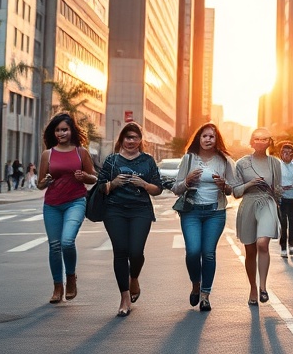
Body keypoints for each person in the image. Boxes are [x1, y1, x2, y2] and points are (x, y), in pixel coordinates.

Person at [98, 122, 164, 317]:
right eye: (128, 137)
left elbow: (158, 188)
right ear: (122, 139)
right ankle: (124, 298)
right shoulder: (112, 160)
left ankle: (133, 277)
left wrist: (144, 184)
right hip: (115, 211)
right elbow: (101, 186)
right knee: (120, 253)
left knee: (136, 252)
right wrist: (114, 183)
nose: (131, 141)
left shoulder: (148, 160)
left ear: (140, 140)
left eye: (135, 137)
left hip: (140, 210)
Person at [173, 122, 236, 312]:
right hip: (191, 211)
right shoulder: (189, 158)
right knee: (193, 251)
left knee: (208, 253)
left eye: (212, 137)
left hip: (215, 212)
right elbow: (176, 188)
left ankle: (205, 295)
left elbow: (233, 189)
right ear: (198, 139)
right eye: (204, 136)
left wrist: (224, 185)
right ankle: (195, 284)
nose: (208, 139)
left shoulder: (224, 161)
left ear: (217, 140)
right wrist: (187, 181)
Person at [38, 113, 98, 303]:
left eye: (64, 129)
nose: (60, 133)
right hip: (52, 204)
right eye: (57, 130)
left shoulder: (81, 153)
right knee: (54, 246)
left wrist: (84, 177)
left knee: (66, 241)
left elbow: (94, 177)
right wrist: (46, 180)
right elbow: (40, 184)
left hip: (76, 201)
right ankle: (58, 286)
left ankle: (70, 277)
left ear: (71, 131)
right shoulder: (48, 154)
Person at [232, 128, 282, 306]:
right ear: (252, 142)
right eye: (257, 139)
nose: (261, 142)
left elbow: (278, 190)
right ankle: (252, 287)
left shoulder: (275, 163)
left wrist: (282, 193)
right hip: (248, 204)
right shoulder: (242, 163)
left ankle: (263, 287)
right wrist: (250, 183)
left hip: (267, 203)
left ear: (270, 142)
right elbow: (235, 192)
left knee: (262, 243)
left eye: (265, 139)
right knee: (250, 251)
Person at [276, 141, 293, 258]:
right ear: (281, 153)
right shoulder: (277, 166)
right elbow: (273, 182)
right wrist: (280, 188)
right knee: (283, 223)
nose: (286, 154)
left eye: (289, 152)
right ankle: (283, 247)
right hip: (282, 198)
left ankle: (291, 245)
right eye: (284, 152)